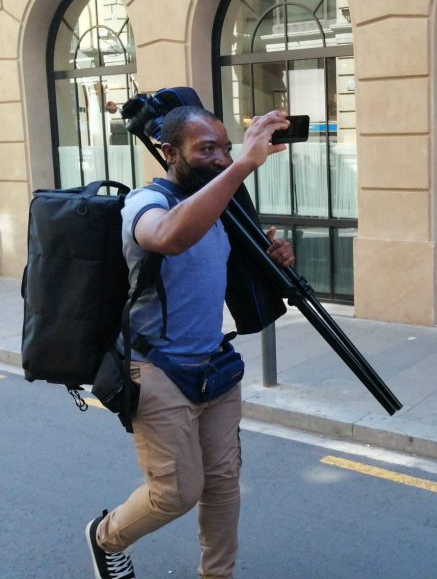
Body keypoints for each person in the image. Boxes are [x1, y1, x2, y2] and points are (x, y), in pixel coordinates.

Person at [85, 105, 295, 579]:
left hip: (214, 366)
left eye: (224, 149)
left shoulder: (218, 207)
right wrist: (243, 165)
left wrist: (274, 256)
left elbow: (228, 266)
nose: (220, 159)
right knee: (175, 493)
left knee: (222, 484)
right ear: (168, 151)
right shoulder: (146, 202)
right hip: (156, 370)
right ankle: (106, 535)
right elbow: (170, 237)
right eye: (206, 149)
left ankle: (218, 574)